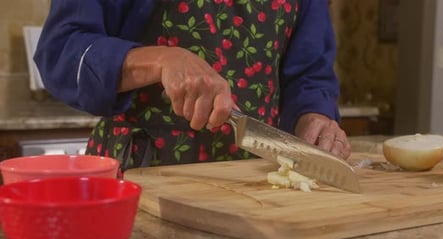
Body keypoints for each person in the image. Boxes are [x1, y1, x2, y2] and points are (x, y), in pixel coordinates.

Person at [34, 0, 351, 174]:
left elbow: (311, 74)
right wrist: (161, 60)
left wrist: (314, 116)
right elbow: (60, 52)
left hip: (258, 182)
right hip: (143, 179)